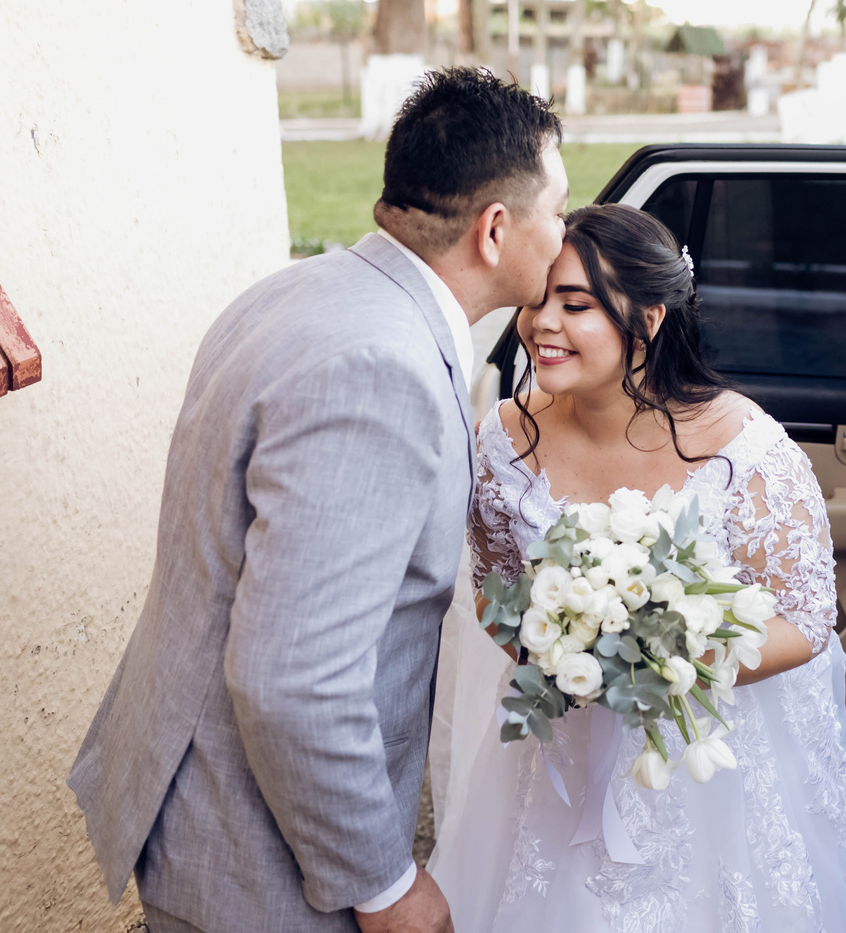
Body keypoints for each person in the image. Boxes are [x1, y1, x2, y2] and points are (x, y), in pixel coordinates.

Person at [66, 68, 568, 933]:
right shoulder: (382, 369)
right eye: (557, 210)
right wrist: (384, 884)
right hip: (257, 859)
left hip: (202, 797)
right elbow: (294, 675)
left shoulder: (299, 289)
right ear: (495, 229)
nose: (563, 232)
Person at [428, 204, 846, 932]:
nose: (541, 324)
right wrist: (561, 652)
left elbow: (806, 620)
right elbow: (493, 592)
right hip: (560, 747)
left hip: (708, 766)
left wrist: (660, 667)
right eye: (535, 301)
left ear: (648, 319)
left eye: (575, 305)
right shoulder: (502, 442)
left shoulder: (745, 449)